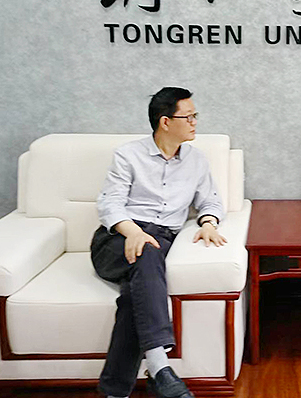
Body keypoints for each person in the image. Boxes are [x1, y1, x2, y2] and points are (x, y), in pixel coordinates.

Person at [91, 87, 227, 398]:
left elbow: (210, 201)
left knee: (134, 296)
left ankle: (116, 392)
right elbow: (110, 204)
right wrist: (133, 232)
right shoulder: (128, 155)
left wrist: (208, 222)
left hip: (160, 240)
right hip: (116, 239)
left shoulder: (196, 160)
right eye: (188, 116)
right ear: (165, 122)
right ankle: (160, 368)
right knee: (148, 252)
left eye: (195, 116)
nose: (194, 122)